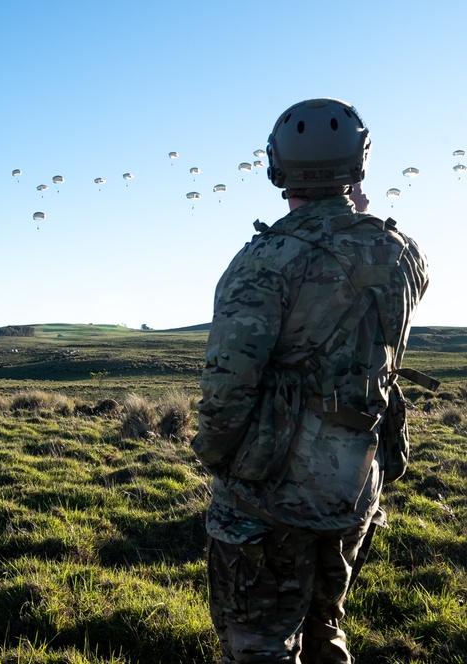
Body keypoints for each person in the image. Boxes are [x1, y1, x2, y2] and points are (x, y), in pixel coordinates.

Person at [191, 98, 430, 663]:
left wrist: (217, 458)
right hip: (355, 484)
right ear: (359, 165)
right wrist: (358, 216)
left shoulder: (263, 260)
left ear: (277, 169)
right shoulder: (402, 253)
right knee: (327, 628)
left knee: (257, 644)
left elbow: (227, 388)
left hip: (270, 495)